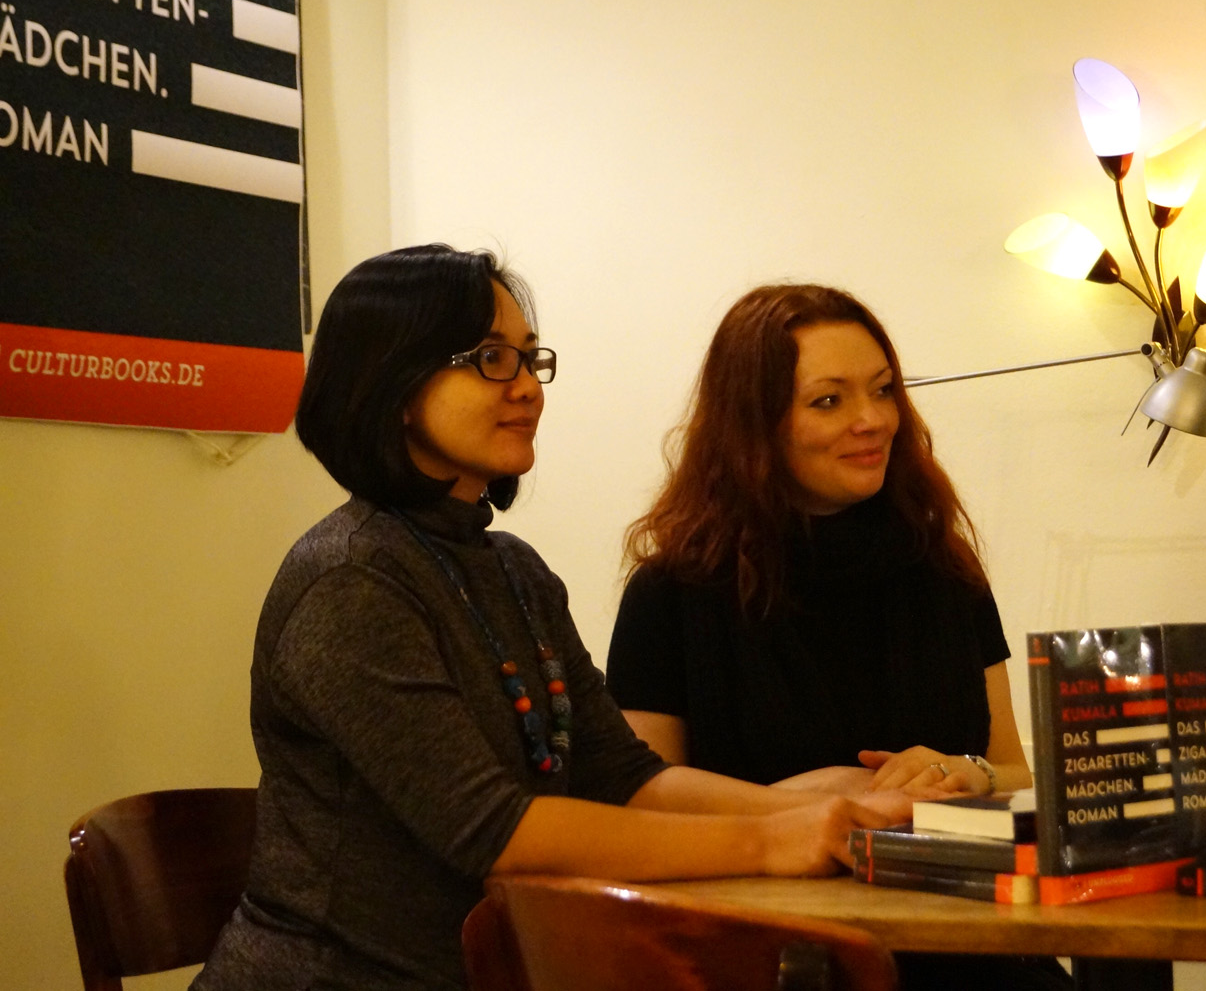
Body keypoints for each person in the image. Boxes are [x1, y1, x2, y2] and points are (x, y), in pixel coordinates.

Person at [194, 248, 903, 991]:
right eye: (491, 358)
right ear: (395, 384)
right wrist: (770, 839)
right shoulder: (350, 580)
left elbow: (622, 774)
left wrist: (831, 809)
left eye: (530, 359)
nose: (528, 386)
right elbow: (495, 832)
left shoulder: (513, 570)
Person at [606, 283, 1070, 990]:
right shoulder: (672, 591)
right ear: (754, 424)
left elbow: (1014, 774)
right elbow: (641, 804)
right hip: (772, 958)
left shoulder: (943, 568)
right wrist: (808, 803)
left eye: (883, 391)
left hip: (968, 945)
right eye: (828, 400)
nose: (872, 420)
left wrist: (961, 772)